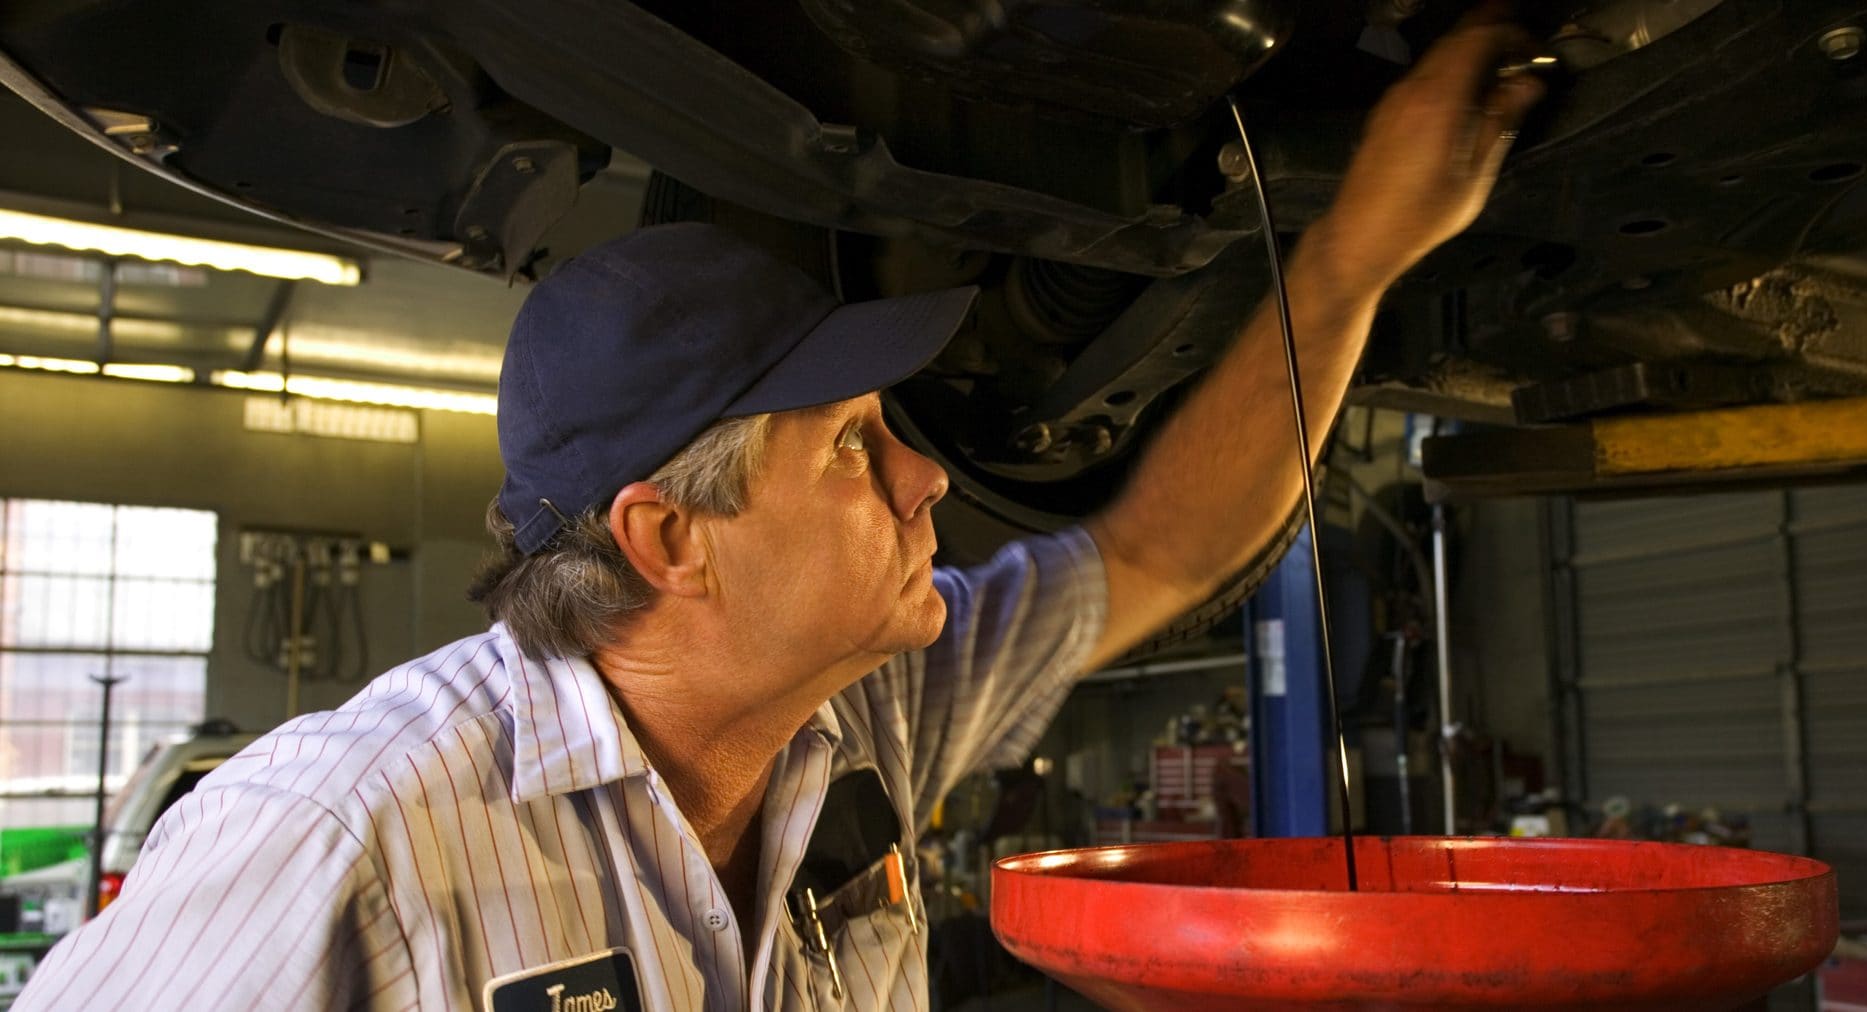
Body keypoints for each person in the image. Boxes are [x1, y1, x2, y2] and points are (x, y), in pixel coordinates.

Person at [20, 13, 1540, 1011]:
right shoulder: (345, 833)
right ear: (667, 538)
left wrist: (1350, 262)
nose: (928, 477)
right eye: (852, 446)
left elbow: (1158, 547)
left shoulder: (868, 717)